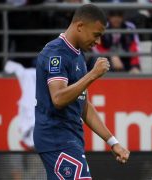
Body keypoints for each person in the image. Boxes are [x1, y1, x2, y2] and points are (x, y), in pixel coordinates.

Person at [34, 4, 130, 179]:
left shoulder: (77, 55)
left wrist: (112, 142)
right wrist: (92, 74)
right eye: (96, 35)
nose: (98, 42)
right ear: (80, 26)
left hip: (70, 139)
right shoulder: (56, 53)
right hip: (56, 139)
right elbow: (58, 98)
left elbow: (83, 106)